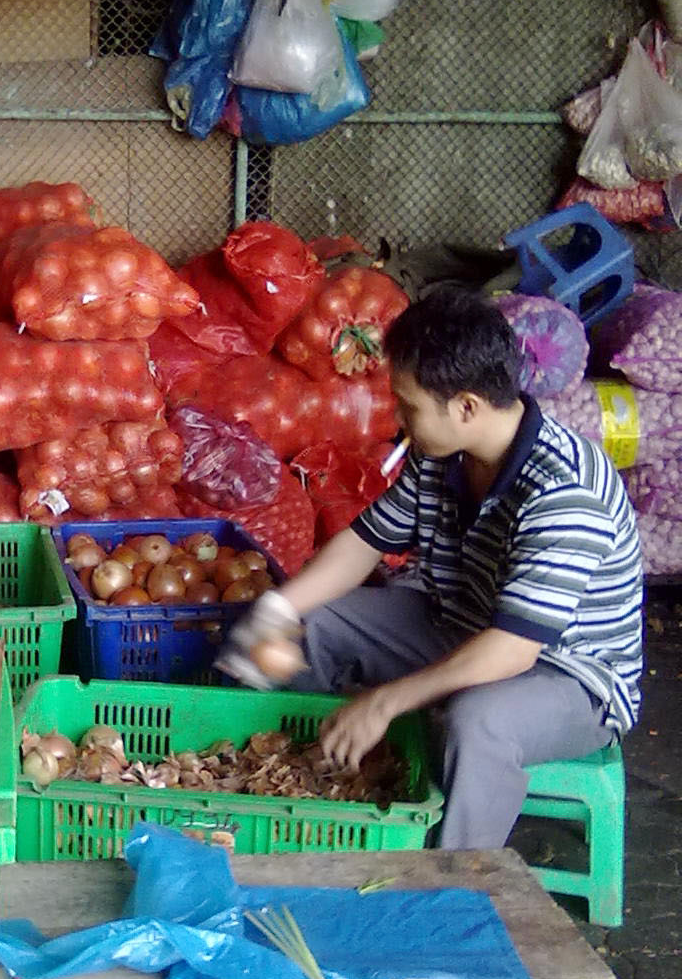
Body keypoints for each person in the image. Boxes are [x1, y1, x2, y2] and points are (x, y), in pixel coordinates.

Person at [220, 285, 643, 850]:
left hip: (567, 675)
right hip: (463, 624)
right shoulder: (445, 455)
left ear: (466, 407)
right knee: (314, 626)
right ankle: (301, 791)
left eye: (409, 406)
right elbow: (365, 543)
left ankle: (453, 877)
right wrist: (279, 607)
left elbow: (513, 650)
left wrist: (386, 701)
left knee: (479, 721)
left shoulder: (564, 492)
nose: (399, 419)